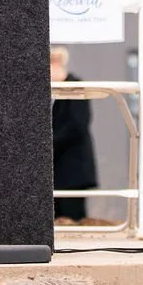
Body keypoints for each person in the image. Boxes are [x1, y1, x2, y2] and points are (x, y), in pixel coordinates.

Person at [50, 46, 98, 222]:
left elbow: (76, 125)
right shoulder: (57, 93)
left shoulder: (75, 86)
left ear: (56, 63)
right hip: (60, 170)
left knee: (73, 216)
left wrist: (49, 143)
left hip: (73, 169)